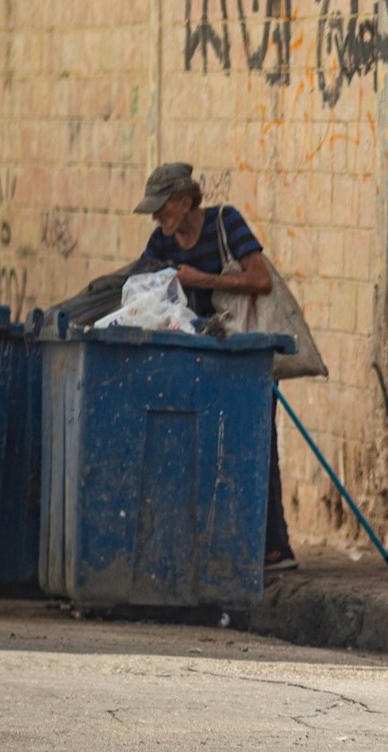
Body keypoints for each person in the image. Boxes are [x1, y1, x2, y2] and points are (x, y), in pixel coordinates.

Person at [134, 163, 296, 571]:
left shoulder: (227, 222)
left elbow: (261, 281)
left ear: (186, 201)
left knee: (256, 445)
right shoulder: (160, 241)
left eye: (163, 208)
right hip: (193, 358)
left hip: (239, 353)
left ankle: (274, 549)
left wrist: (199, 280)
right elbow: (141, 289)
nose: (157, 217)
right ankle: (212, 546)